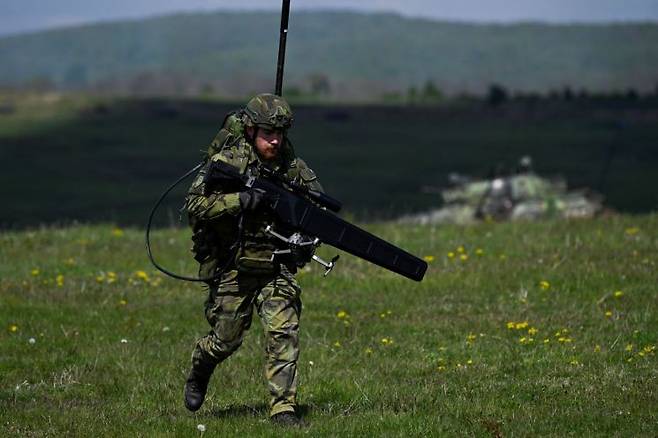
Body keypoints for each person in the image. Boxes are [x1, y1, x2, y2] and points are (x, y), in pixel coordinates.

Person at [182, 93, 323, 426]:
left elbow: (318, 213)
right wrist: (240, 200)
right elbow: (194, 205)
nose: (274, 140)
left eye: (279, 134)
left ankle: (282, 409)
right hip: (234, 267)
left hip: (276, 265)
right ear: (250, 131)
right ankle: (201, 367)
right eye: (266, 134)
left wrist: (305, 237)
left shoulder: (293, 169)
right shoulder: (228, 163)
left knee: (283, 332)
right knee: (225, 340)